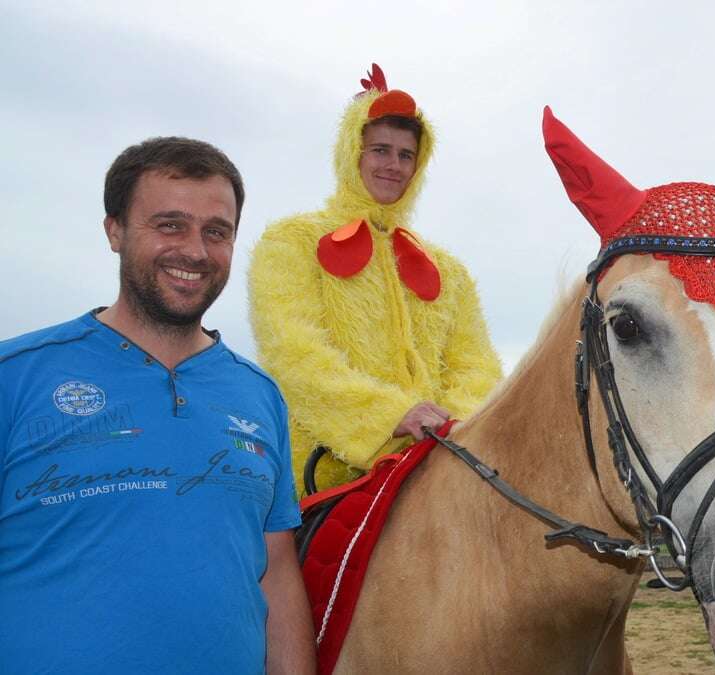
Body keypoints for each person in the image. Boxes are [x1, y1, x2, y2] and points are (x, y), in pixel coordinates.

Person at [0, 137, 315, 673]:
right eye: (170, 224)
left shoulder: (259, 394)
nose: (195, 250)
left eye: (217, 232)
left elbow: (277, 576)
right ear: (115, 230)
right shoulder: (17, 375)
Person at [248, 64, 501, 494]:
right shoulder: (291, 242)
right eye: (380, 150)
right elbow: (294, 353)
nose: (394, 165)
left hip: (434, 473)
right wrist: (390, 416)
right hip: (320, 480)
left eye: (406, 155)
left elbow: (478, 367)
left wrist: (448, 427)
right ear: (352, 154)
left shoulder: (450, 271)